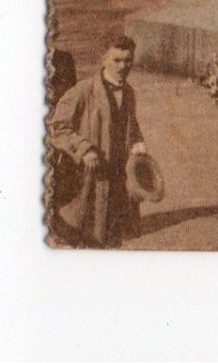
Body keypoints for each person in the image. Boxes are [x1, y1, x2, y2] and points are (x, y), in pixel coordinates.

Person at [47, 34, 148, 248]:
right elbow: (57, 126)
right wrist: (84, 149)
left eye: (128, 60)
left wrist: (138, 143)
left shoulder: (129, 92)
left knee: (114, 237)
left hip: (118, 180)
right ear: (103, 59)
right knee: (86, 235)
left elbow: (131, 124)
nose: (123, 66)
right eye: (117, 60)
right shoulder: (83, 91)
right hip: (90, 181)